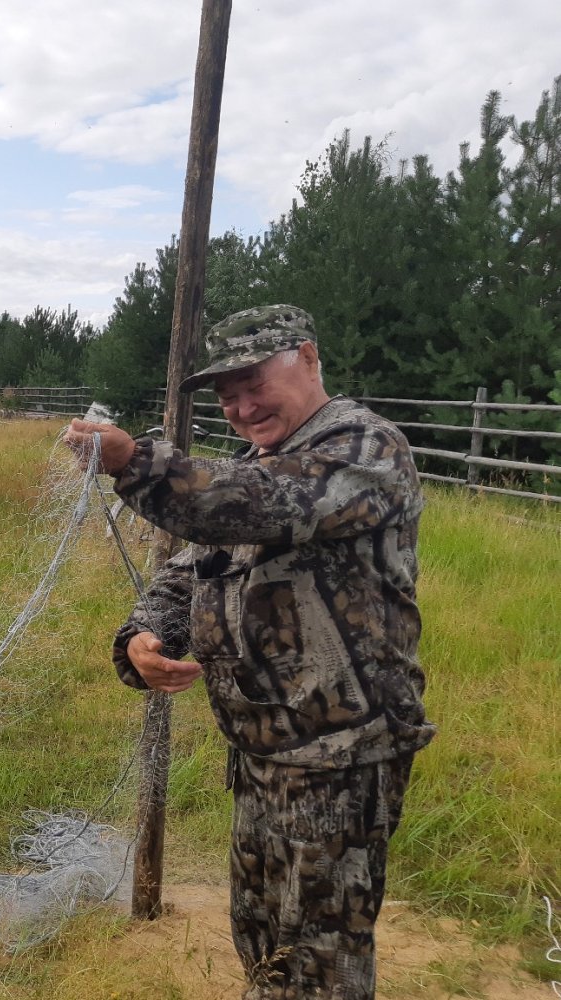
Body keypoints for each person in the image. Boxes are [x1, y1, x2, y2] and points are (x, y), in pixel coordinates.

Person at [66, 304, 436, 1000]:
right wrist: (144, 635)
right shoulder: (256, 460)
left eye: (252, 383)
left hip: (340, 752)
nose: (239, 407)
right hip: (263, 745)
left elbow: (262, 506)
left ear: (306, 357)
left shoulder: (365, 450)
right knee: (262, 939)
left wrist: (132, 461)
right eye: (225, 395)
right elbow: (189, 568)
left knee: (320, 960)